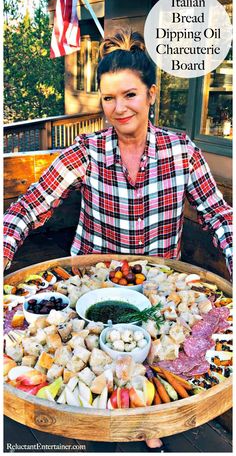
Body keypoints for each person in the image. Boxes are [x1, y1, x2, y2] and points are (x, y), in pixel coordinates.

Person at [3, 29, 232, 449]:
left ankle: (150, 417)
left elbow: (220, 214)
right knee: (79, 370)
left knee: (162, 360)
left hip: (162, 291)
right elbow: (30, 206)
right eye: (108, 98)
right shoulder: (87, 151)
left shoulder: (182, 149)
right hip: (87, 288)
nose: (118, 108)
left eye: (129, 95)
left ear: (151, 94)